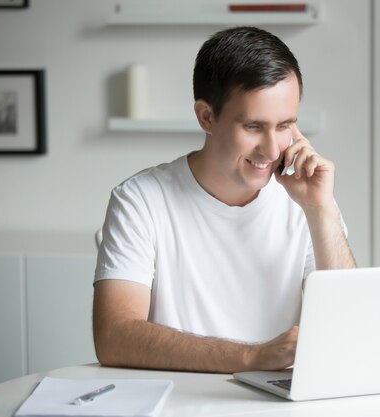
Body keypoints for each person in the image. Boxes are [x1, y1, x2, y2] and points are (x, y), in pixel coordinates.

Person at [93, 26, 356, 374]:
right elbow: (114, 337)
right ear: (206, 117)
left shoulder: (307, 203)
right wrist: (252, 357)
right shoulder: (140, 200)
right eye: (253, 126)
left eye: (284, 126)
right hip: (176, 401)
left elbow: (351, 331)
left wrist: (321, 210)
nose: (273, 149)